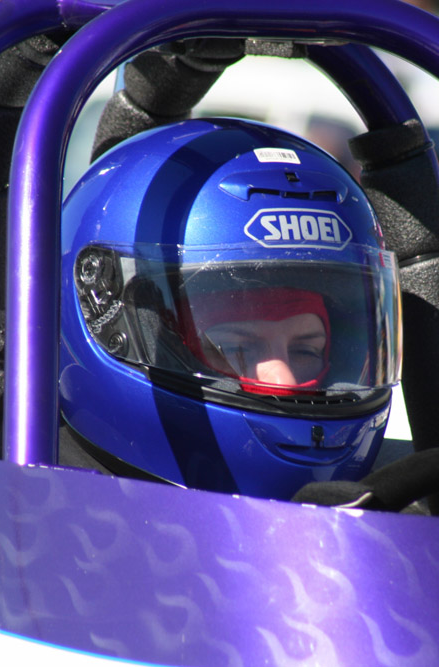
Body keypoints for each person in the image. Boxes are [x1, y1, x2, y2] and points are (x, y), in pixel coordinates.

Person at [58, 117, 402, 500]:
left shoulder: (413, 500)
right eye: (235, 347)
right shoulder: (42, 515)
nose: (285, 381)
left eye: (307, 350)